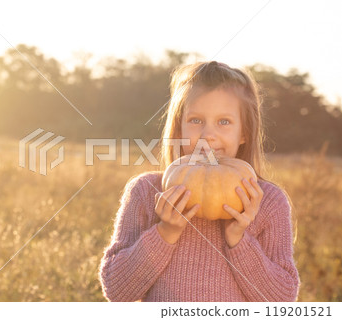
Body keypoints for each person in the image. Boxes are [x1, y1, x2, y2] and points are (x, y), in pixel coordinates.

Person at [98, 61, 300, 302]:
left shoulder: (267, 201)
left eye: (224, 122)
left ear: (244, 132)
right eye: (195, 120)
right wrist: (166, 232)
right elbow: (118, 291)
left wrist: (239, 240)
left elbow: (282, 300)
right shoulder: (146, 192)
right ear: (179, 128)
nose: (208, 135)